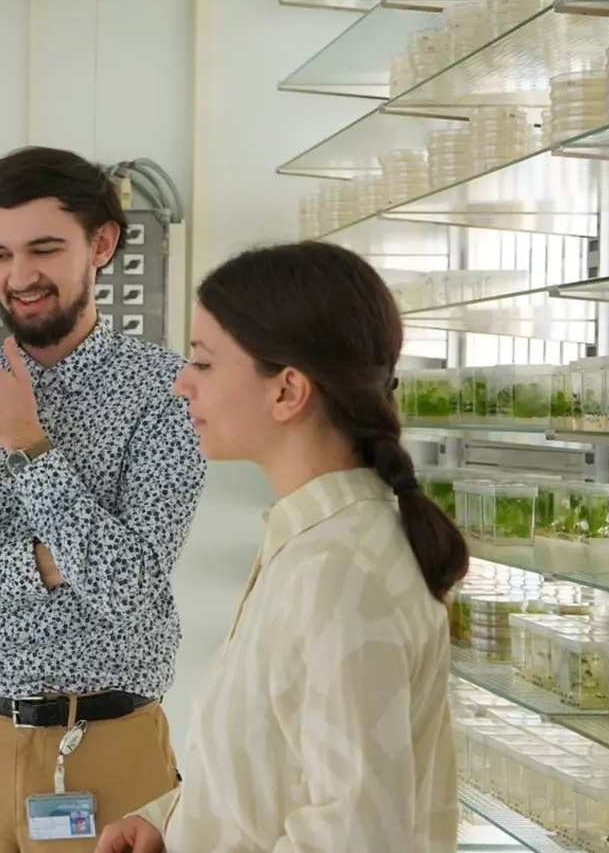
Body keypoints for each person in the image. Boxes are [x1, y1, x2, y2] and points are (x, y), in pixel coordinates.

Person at [0, 145, 206, 853]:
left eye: (45, 249)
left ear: (103, 245)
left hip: (112, 756)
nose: (19, 277)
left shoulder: (168, 396)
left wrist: (27, 443)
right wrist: (43, 563)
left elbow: (127, 588)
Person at [95, 241, 465, 853]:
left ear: (288, 391)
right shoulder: (316, 541)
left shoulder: (338, 573)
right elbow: (281, 768)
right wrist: (173, 818)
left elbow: (353, 838)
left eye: (205, 363)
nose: (182, 383)